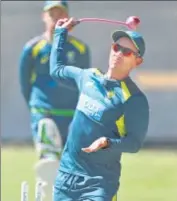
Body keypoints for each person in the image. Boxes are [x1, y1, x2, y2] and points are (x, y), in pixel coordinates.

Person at [50, 18, 149, 201]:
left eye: (126, 52)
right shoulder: (88, 76)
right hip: (66, 177)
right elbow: (57, 70)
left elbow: (134, 143)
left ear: (138, 61)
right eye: (116, 48)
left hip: (98, 184)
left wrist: (108, 142)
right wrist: (60, 34)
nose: (118, 53)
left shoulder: (133, 99)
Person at [19, 1, 91, 200]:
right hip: (43, 110)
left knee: (71, 167)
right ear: (44, 16)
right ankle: (46, 189)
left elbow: (84, 83)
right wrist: (36, 107)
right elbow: (25, 83)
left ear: (67, 18)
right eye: (52, 14)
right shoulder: (33, 48)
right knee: (49, 159)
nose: (55, 18)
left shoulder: (80, 49)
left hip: (70, 113)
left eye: (60, 13)